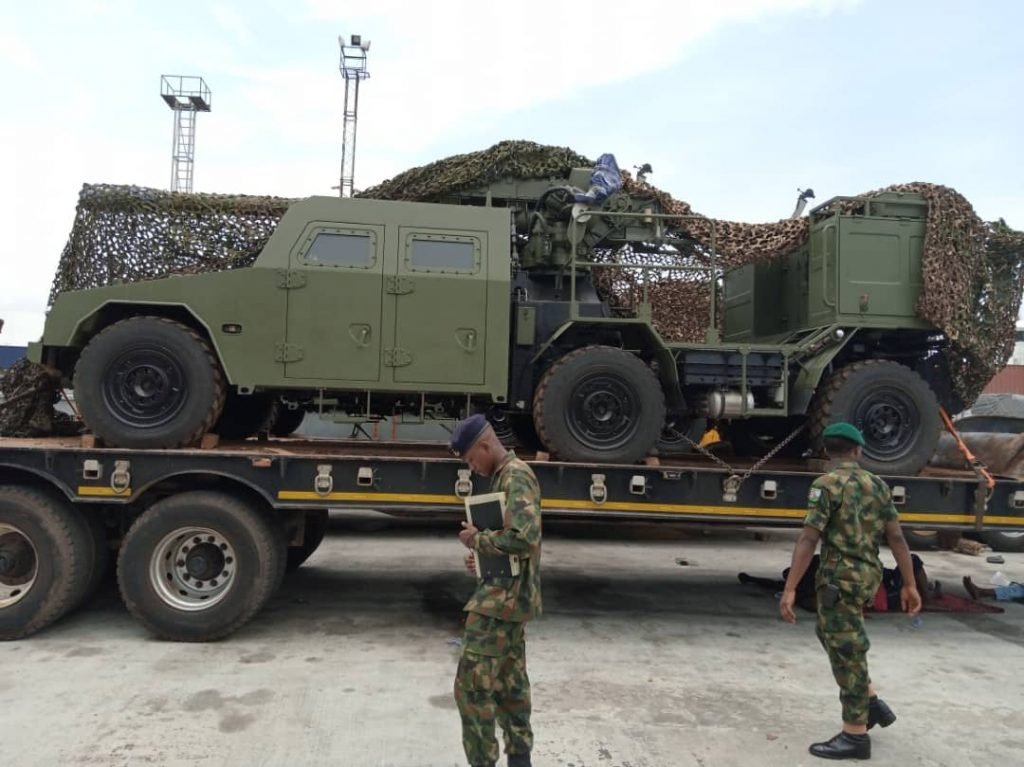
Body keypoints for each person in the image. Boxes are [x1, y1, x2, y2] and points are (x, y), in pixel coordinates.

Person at [780, 422, 922, 761]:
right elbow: (897, 537)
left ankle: (855, 735)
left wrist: (790, 588)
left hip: (839, 579)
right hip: (867, 576)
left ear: (827, 451)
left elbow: (809, 538)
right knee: (829, 632)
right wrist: (909, 583)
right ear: (858, 451)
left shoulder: (826, 485)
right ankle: (870, 702)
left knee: (848, 651)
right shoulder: (878, 485)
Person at [450, 414, 542, 767]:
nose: (472, 468)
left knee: (472, 689)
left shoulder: (515, 476)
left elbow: (523, 538)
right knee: (510, 686)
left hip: (500, 604)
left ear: (485, 445)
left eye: (471, 459)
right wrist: (483, 560)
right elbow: (513, 544)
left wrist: (478, 540)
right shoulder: (506, 476)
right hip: (508, 598)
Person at [741, 553, 936, 612]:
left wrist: (751, 579)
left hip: (881, 584)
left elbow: (775, 584)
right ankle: (926, 597)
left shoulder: (821, 573)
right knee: (913, 560)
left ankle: (926, 594)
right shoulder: (815, 585)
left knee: (911, 562)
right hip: (883, 592)